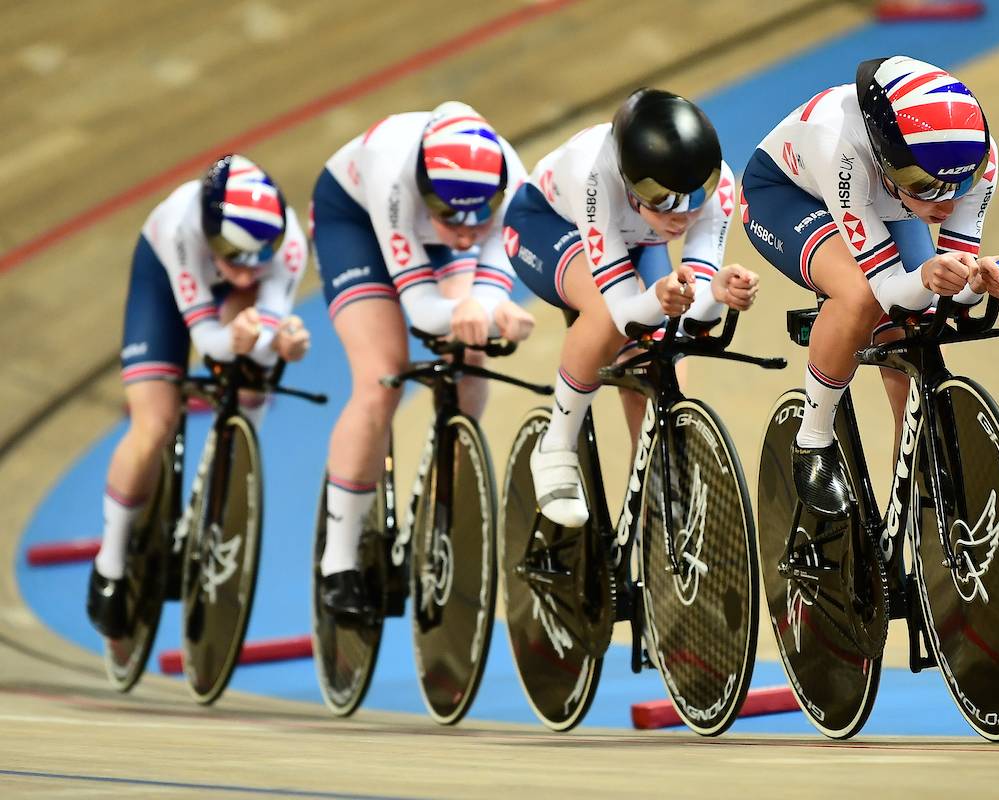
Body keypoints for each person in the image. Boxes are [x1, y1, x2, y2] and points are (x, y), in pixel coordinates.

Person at [741, 56, 999, 517]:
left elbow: (950, 294)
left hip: (884, 201)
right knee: (859, 296)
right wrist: (926, 278)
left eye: (960, 186)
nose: (948, 205)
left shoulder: (971, 158)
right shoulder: (838, 144)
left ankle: (911, 504)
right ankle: (813, 438)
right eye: (926, 185)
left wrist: (986, 280)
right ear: (888, 159)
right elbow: (889, 291)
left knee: (916, 339)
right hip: (788, 195)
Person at [312, 101, 534, 620]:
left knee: (471, 355)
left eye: (478, 220)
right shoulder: (392, 173)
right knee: (381, 379)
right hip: (357, 223)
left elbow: (488, 288)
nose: (464, 232)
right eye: (452, 217)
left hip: (427, 228)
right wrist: (477, 311)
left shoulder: (512, 185)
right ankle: (338, 560)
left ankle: (446, 488)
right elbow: (422, 310)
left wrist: (497, 310)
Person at [504, 88, 759, 528]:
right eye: (663, 199)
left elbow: (692, 316)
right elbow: (624, 312)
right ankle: (556, 444)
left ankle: (657, 485)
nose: (681, 218)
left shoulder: (718, 190)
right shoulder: (595, 178)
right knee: (608, 319)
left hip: (637, 238)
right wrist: (658, 300)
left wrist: (715, 292)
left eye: (693, 199)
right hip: (548, 225)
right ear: (629, 182)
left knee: (662, 353)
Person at [87, 154, 312, 638]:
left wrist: (281, 341)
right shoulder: (179, 227)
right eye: (236, 258)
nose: (250, 273)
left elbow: (267, 341)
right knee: (156, 423)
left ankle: (235, 450)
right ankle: (109, 561)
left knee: (255, 366)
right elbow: (208, 340)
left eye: (260, 258)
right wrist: (241, 337)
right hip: (167, 289)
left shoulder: (289, 241)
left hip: (225, 304)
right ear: (211, 236)